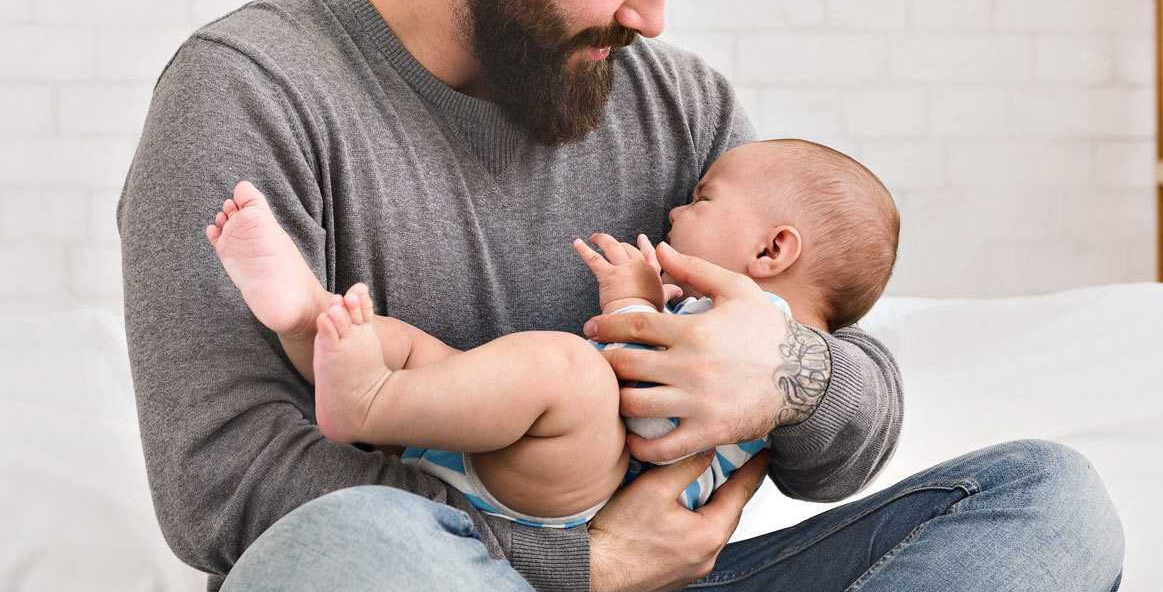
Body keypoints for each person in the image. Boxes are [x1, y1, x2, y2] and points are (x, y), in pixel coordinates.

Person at [118, 0, 1124, 592]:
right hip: (419, 577)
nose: (650, 16)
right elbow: (221, 486)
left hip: (665, 587)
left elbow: (842, 435)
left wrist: (789, 371)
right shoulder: (251, 88)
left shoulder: (679, 105)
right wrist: (586, 568)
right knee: (353, 544)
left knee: (1048, 502)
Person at [203, 139, 899, 528]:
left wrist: (634, 305)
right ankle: (306, 316)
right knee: (423, 354)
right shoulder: (704, 308)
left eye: (702, 200)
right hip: (532, 475)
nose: (677, 209)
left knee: (567, 369)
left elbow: (656, 432)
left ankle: (369, 405)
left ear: (772, 253)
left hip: (603, 496)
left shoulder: (763, 337)